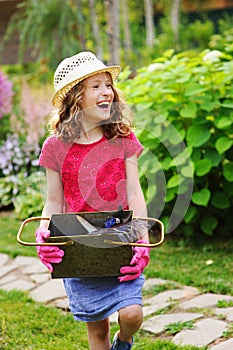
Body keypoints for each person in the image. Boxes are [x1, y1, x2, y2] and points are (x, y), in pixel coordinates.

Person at [36, 51, 151, 350]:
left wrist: (141, 239)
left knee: (132, 314)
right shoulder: (55, 147)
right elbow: (53, 201)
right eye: (96, 86)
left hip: (119, 243)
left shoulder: (123, 137)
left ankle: (124, 340)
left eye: (108, 85)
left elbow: (135, 192)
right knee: (97, 333)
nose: (107, 92)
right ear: (76, 97)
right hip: (80, 248)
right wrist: (43, 234)